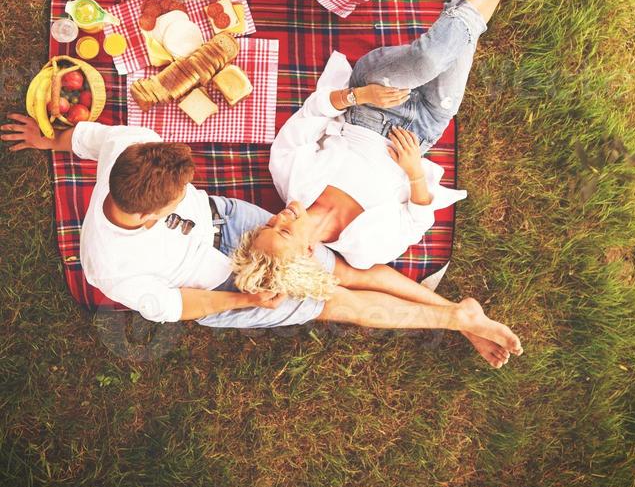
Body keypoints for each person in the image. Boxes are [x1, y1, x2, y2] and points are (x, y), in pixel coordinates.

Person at [233, 0, 577, 348]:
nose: (280, 215)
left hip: (369, 102)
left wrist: (360, 95)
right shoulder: (363, 249)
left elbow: (315, 112)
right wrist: (415, 174)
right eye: (285, 230)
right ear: (307, 254)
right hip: (425, 129)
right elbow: (418, 219)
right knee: (454, 61)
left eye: (271, 222)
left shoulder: (288, 173)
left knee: (429, 59)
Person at [2, 116, 522, 370]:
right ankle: (459, 320)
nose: (186, 193)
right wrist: (247, 300)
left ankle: (459, 311)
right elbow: (178, 305)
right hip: (224, 285)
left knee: (339, 269)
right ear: (151, 212)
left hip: (228, 221)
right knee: (335, 304)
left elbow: (89, 138)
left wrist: (49, 140)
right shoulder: (109, 267)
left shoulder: (128, 150)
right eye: (178, 195)